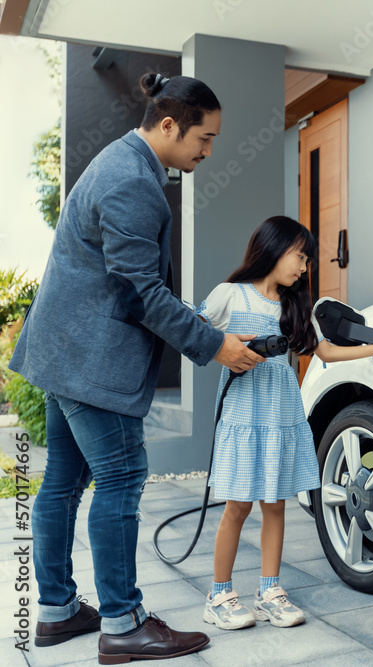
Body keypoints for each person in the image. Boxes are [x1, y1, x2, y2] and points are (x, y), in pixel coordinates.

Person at [10, 73, 264, 663]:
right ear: (170, 124)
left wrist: (204, 328)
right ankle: (123, 624)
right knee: (121, 480)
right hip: (92, 361)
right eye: (205, 138)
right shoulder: (132, 180)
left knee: (63, 483)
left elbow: (129, 283)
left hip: (64, 351)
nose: (207, 150)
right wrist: (214, 344)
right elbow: (137, 292)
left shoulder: (121, 162)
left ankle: (55, 612)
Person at [195, 216, 373, 630]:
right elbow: (193, 330)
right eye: (299, 256)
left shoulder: (294, 305)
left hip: (280, 416)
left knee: (275, 504)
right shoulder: (230, 295)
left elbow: (325, 352)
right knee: (238, 506)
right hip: (243, 417)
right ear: (272, 249)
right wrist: (224, 346)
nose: (303, 267)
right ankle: (219, 595)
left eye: (307, 260)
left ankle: (270, 592)